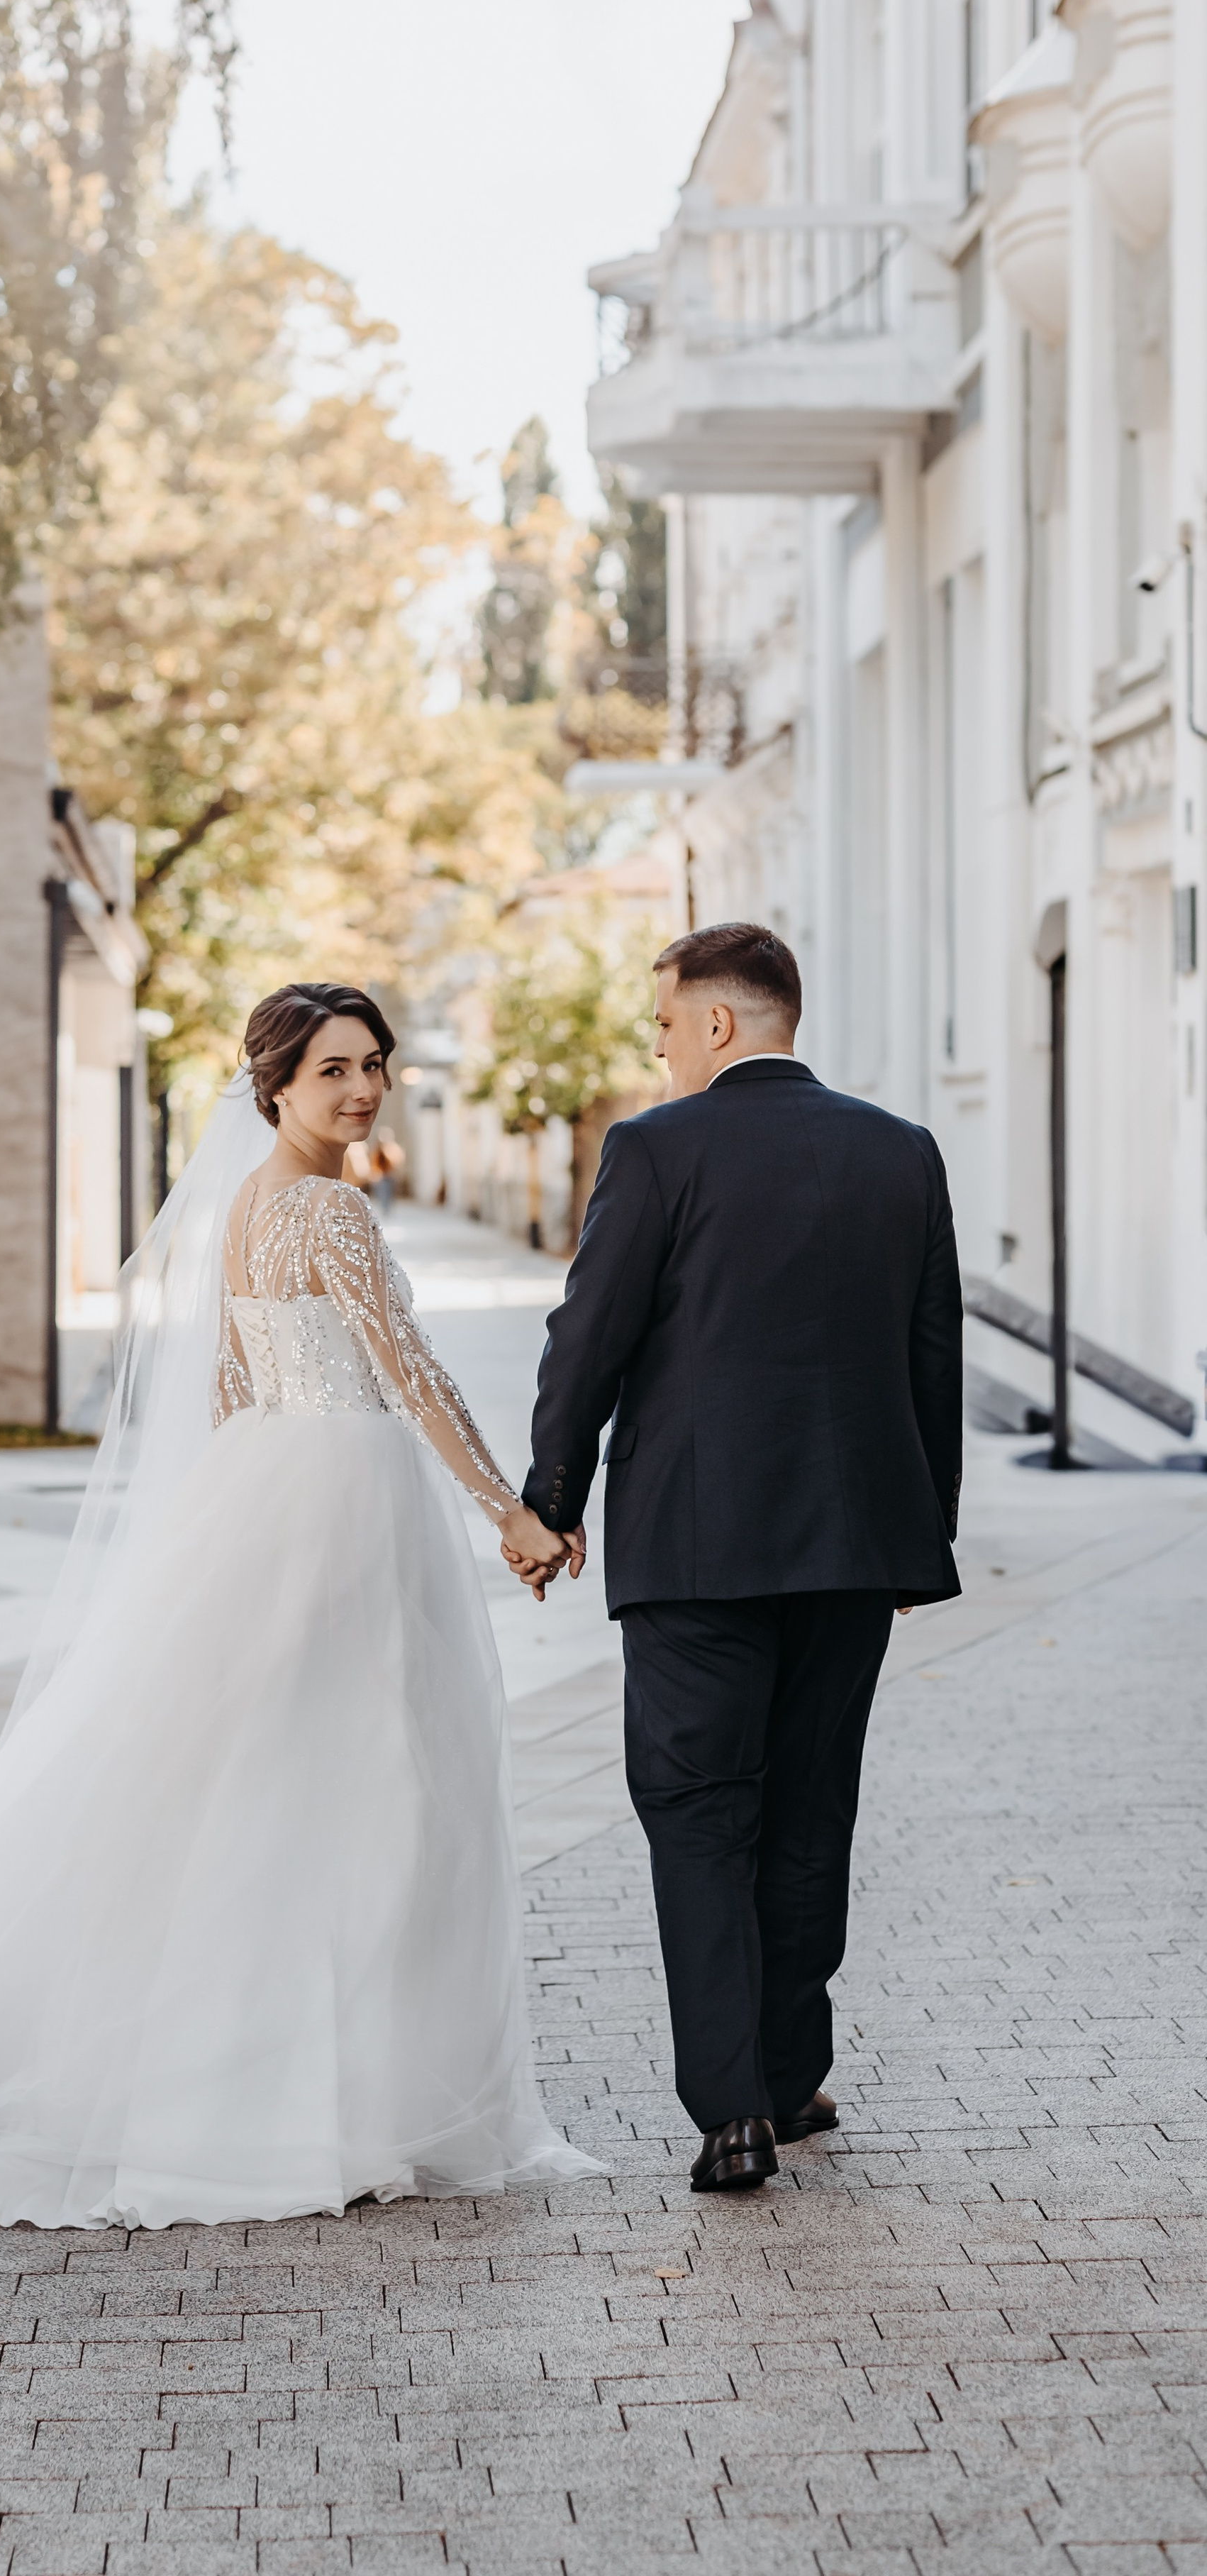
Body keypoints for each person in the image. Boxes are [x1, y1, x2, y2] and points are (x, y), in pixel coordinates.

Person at [0, 981, 594, 2229]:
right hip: (340, 1503)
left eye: (374, 1065)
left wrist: (222, 1535)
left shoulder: (252, 1205)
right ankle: (317, 2105)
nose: (361, 1090)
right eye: (333, 1072)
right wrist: (509, 1515)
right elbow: (410, 1378)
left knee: (286, 1791)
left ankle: (299, 2091)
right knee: (360, 1789)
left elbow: (232, 1389)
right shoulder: (329, 1211)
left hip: (278, 1495)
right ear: (276, 1087)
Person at [513, 923, 962, 2196]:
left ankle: (733, 2115)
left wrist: (553, 1496)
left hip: (697, 1548)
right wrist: (919, 1524)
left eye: (662, 1025)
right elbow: (936, 1355)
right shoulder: (901, 1151)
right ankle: (789, 2072)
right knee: (813, 1805)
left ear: (717, 1023)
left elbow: (585, 1342)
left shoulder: (657, 1150)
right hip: (856, 1547)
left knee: (702, 1816)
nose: (655, 1048)